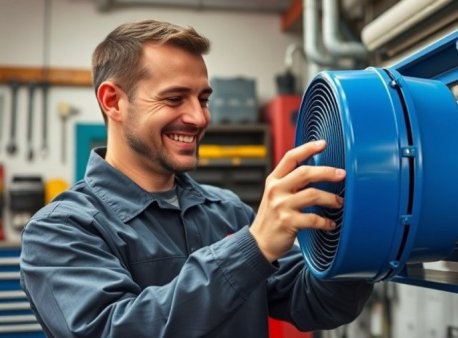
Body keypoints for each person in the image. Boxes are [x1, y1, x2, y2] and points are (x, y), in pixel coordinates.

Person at [19, 19, 373, 337]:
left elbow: (317, 304)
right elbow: (117, 329)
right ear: (113, 101)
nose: (199, 117)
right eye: (174, 98)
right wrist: (252, 249)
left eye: (203, 99)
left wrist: (362, 231)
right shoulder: (60, 231)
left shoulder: (226, 211)